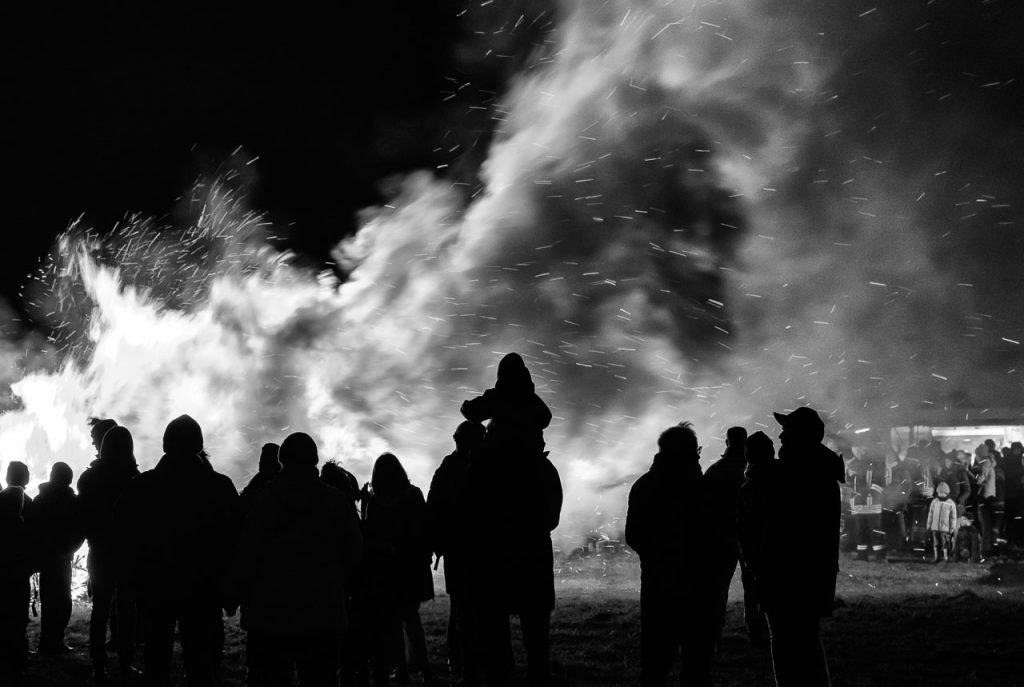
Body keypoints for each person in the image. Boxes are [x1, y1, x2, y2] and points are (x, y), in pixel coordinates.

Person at [462, 353, 562, 687]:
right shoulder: (534, 408)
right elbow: (551, 518)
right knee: (537, 636)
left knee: (495, 630)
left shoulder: (485, 466)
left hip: (495, 553)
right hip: (532, 551)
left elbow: (470, 412)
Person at [234, 433, 363, 686]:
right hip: (322, 613)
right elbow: (354, 551)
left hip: (270, 615)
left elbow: (247, 552)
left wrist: (236, 593)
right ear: (314, 460)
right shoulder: (334, 501)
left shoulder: (264, 500)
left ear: (282, 460)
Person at [119, 415, 240, 687]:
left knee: (155, 660)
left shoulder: (142, 486)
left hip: (155, 585)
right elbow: (233, 539)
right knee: (202, 663)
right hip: (203, 588)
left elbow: (124, 536)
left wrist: (132, 580)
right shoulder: (219, 487)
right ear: (199, 445)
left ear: (165, 445)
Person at [758, 407, 844, 687]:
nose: (780, 435)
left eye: (787, 430)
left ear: (800, 436)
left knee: (788, 642)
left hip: (791, 573)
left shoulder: (799, 474)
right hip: (809, 573)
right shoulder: (817, 469)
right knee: (805, 640)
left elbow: (783, 527)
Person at [626, 422, 714, 687]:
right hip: (696, 585)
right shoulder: (701, 487)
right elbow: (713, 535)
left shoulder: (644, 485)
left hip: (656, 584)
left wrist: (657, 557)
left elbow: (634, 536)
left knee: (655, 663)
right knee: (697, 665)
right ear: (688, 452)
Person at [361, 452, 434, 687]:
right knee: (412, 621)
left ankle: (400, 669)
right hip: (411, 568)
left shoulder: (375, 502)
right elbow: (423, 530)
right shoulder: (414, 495)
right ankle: (423, 668)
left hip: (387, 570)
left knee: (392, 624)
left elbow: (369, 535)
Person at [77, 424, 141, 680]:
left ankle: (99, 665)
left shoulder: (90, 479)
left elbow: (83, 516)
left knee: (100, 609)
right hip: (127, 552)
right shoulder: (134, 479)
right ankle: (125, 663)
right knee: (126, 610)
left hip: (100, 550)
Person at [427, 421, 486, 686]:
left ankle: (461, 662)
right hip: (478, 549)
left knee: (460, 608)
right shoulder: (485, 468)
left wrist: (437, 542)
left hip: (457, 550)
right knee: (473, 608)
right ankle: (473, 665)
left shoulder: (447, 469)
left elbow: (433, 509)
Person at [32, 462, 85, 652]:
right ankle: (53, 641)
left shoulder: (40, 499)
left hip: (49, 558)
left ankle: (50, 641)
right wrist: (70, 548)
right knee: (62, 601)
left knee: (51, 601)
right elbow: (80, 529)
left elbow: (34, 529)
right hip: (60, 558)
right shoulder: (71, 502)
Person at [703, 426, 747, 647]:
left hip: (721, 537)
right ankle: (757, 632)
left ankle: (714, 632)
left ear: (726, 442)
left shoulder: (716, 470)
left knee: (717, 587)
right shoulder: (752, 469)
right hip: (750, 536)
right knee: (755, 588)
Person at [735, 431, 774, 650]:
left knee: (754, 596)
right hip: (785, 557)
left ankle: (759, 637)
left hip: (758, 558)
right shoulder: (787, 478)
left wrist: (749, 560)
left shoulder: (749, 489)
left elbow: (743, 530)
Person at [0, 485, 30, 678]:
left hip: (8, 579)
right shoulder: (19, 525)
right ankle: (17, 660)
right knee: (18, 620)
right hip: (17, 580)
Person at [848, 453, 885, 561]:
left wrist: (863, 494)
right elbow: (852, 486)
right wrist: (849, 476)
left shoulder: (876, 467)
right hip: (859, 506)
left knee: (875, 531)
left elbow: (879, 483)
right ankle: (862, 555)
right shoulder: (855, 467)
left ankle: (880, 556)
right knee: (860, 531)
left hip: (872, 505)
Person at [238, 443, 280, 515]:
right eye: (261, 459)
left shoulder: (262, 480)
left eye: (264, 459)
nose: (260, 462)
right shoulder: (260, 478)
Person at [973, 445, 997, 556]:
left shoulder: (985, 463)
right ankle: (988, 547)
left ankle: (986, 549)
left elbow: (979, 480)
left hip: (984, 496)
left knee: (985, 524)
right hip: (990, 495)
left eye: (976, 455)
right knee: (987, 523)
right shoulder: (989, 462)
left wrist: (973, 474)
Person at [926, 482, 957, 563]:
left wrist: (952, 528)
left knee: (945, 543)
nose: (941, 494)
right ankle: (936, 557)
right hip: (935, 527)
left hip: (945, 528)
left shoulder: (951, 503)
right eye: (940, 492)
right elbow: (931, 514)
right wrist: (929, 524)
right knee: (935, 543)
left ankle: (945, 558)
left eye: (943, 493)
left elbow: (953, 517)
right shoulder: (934, 502)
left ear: (947, 493)